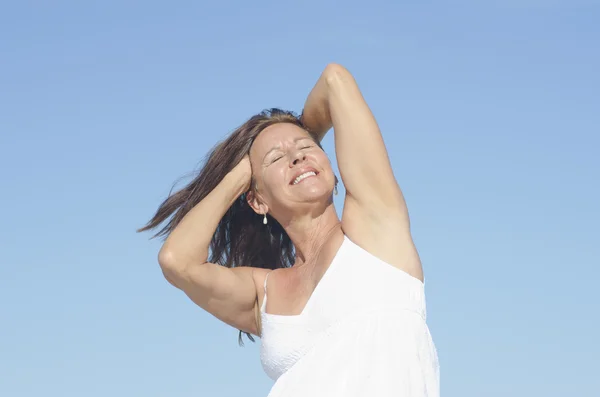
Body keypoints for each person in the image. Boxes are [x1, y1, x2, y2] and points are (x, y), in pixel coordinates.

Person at [139, 64, 440, 396]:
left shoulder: (373, 228)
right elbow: (176, 260)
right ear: (256, 201)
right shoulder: (264, 292)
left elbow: (334, 79)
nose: (297, 158)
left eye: (306, 149)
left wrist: (292, 142)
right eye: (277, 159)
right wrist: (242, 175)